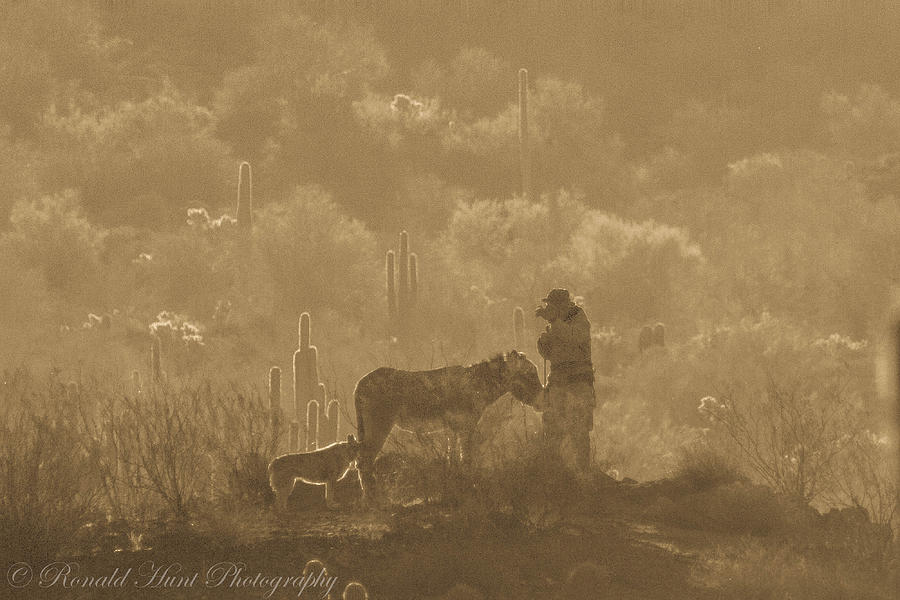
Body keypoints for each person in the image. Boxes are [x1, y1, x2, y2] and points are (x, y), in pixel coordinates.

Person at [535, 288, 595, 474]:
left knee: (579, 429)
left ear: (563, 304)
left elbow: (574, 338)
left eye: (552, 305)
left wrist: (554, 322)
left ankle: (583, 472)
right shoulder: (555, 324)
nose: (549, 308)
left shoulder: (578, 317)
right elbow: (549, 353)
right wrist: (543, 343)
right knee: (553, 428)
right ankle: (556, 473)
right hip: (558, 382)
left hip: (578, 382)